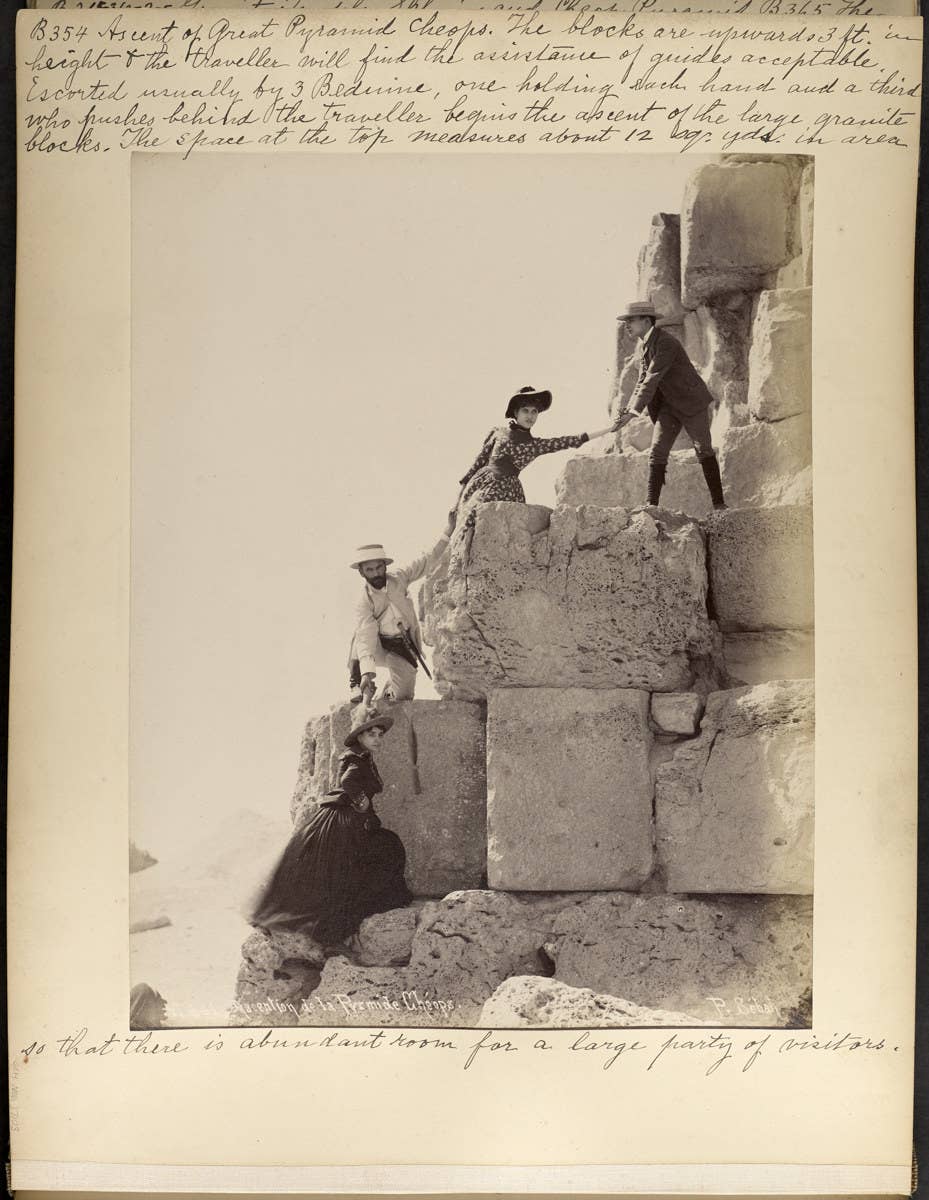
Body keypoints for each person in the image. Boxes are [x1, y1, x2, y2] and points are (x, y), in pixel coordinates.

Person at [246, 705, 411, 948]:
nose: (377, 739)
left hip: (344, 817)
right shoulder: (356, 759)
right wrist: (360, 801)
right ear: (359, 737)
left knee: (382, 847)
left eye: (379, 735)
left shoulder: (361, 756)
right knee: (375, 852)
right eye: (371, 734)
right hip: (345, 820)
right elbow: (348, 780)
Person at [614, 300, 727, 511]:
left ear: (647, 321)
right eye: (626, 321)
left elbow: (652, 379)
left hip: (691, 402)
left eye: (631, 320)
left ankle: (719, 505)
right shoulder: (645, 345)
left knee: (703, 450)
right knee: (657, 451)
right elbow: (641, 382)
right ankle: (651, 505)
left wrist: (632, 413)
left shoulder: (666, 343)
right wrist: (628, 411)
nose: (627, 325)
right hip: (668, 406)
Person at [456, 385, 620, 521]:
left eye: (534, 412)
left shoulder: (536, 445)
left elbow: (574, 440)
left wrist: (611, 428)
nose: (530, 416)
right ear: (516, 413)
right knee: (466, 522)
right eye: (525, 411)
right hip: (480, 484)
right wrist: (458, 498)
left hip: (508, 492)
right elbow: (477, 463)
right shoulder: (497, 433)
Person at [348, 522, 453, 704]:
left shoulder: (399, 577)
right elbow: (367, 637)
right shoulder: (364, 601)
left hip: (402, 645)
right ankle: (355, 683)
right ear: (362, 573)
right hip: (379, 644)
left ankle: (390, 690)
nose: (376, 574)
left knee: (404, 696)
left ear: (385, 566)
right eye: (370, 570)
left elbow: (427, 560)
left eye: (379, 567)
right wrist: (367, 673)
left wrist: (448, 531)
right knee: (359, 637)